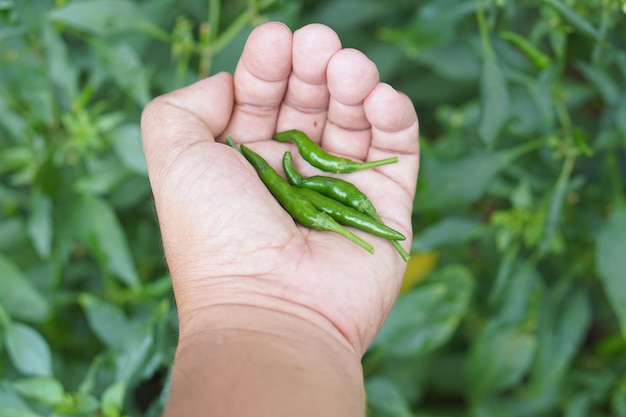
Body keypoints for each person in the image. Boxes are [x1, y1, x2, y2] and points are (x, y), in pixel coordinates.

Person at [141, 21, 419, 417]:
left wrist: (252, 305)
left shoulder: (300, 169)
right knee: (325, 198)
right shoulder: (290, 170)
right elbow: (296, 178)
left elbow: (304, 179)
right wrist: (269, 309)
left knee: (335, 201)